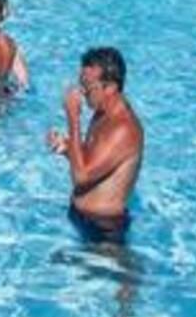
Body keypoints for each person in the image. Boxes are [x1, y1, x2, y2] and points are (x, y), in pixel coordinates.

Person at [46, 47, 144, 242]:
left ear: (110, 87)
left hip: (103, 231)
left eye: (88, 85)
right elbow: (92, 161)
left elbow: (81, 177)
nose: (82, 91)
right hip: (83, 219)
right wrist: (67, 148)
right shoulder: (102, 112)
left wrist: (73, 117)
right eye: (81, 82)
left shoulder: (124, 129)